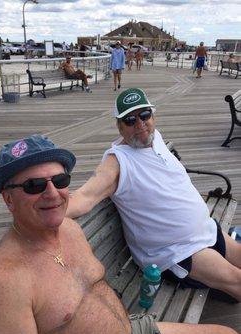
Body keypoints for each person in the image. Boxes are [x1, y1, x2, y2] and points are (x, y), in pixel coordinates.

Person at [0, 134, 241, 334]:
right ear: (8, 199)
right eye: (34, 185)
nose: (52, 193)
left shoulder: (68, 229)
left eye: (60, 180)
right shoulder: (4, 280)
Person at [67, 88, 241, 303]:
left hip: (205, 229)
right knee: (237, 279)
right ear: (119, 126)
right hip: (176, 252)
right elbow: (84, 197)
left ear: (153, 115)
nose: (140, 125)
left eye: (145, 115)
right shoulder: (117, 163)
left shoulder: (155, 137)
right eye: (130, 120)